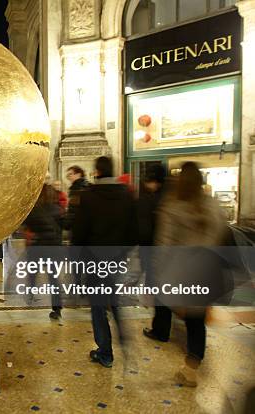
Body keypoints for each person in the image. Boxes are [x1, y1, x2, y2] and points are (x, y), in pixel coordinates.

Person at [151, 162, 227, 387]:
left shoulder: (173, 205)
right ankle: (192, 365)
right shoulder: (212, 206)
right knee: (197, 322)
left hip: (181, 273)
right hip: (205, 271)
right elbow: (221, 236)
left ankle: (190, 367)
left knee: (187, 315)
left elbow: (163, 245)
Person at [72, 156, 136, 368]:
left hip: (94, 259)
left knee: (98, 306)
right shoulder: (126, 196)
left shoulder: (89, 196)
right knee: (114, 299)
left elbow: (80, 232)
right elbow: (133, 230)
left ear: (97, 172)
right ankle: (125, 338)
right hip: (117, 259)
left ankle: (105, 351)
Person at [138, 165, 172, 343]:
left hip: (156, 252)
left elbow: (144, 231)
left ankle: (161, 330)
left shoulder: (150, 200)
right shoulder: (173, 197)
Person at [24, 174, 64, 319]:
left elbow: (27, 225)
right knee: (54, 278)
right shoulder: (58, 209)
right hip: (54, 247)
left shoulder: (34, 209)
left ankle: (30, 294)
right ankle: (57, 308)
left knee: (32, 272)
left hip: (38, 246)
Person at [62, 165, 90, 232]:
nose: (68, 177)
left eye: (70, 174)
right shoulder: (88, 185)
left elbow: (73, 210)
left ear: (79, 174)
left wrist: (66, 224)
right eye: (67, 175)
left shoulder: (76, 189)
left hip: (79, 226)